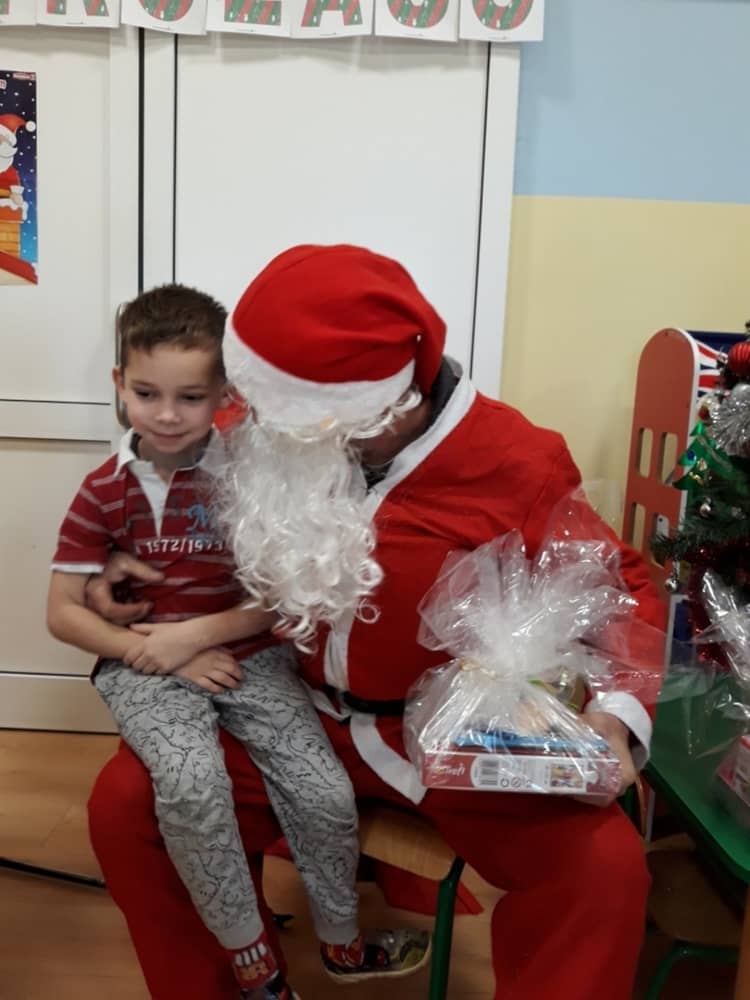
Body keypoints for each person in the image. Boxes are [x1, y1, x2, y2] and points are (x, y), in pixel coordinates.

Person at [87, 246, 666, 1000]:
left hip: (441, 732)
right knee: (128, 806)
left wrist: (615, 717)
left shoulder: (515, 459)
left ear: (381, 407)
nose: (251, 424)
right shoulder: (254, 421)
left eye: (288, 419)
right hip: (280, 708)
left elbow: (619, 586)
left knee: (601, 869)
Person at [47, 282, 430, 1000]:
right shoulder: (103, 490)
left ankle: (342, 940)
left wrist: (195, 637)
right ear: (119, 384)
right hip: (145, 667)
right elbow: (63, 613)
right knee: (192, 786)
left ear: (223, 393)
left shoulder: (253, 475)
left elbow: (284, 594)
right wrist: (156, 653)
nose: (167, 414)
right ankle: (252, 961)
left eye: (190, 397)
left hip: (249, 657)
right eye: (146, 393)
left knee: (322, 790)